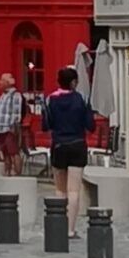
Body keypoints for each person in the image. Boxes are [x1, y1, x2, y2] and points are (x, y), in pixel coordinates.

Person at [41, 66, 94, 237]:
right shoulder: (82, 99)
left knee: (60, 190)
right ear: (73, 82)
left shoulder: (51, 100)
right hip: (78, 144)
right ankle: (70, 229)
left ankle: (58, 225)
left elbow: (45, 125)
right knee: (74, 191)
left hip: (58, 146)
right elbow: (90, 126)